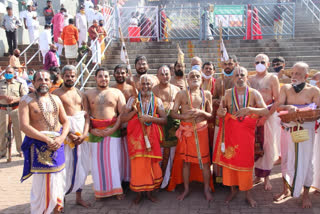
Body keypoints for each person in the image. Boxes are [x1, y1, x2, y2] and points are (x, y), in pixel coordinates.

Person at [213, 66, 268, 207]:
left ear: (247, 77)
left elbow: (265, 111)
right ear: (233, 78)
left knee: (246, 164)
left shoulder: (254, 93)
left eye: (242, 75)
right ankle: (232, 190)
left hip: (246, 137)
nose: (239, 78)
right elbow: (220, 113)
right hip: (231, 135)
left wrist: (250, 109)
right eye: (237, 75)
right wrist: (221, 112)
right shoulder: (227, 93)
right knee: (230, 164)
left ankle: (248, 194)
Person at [19, 69, 69, 214]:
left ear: (51, 82)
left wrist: (60, 138)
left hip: (57, 144)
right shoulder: (26, 100)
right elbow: (24, 126)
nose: (43, 82)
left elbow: (66, 121)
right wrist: (47, 139)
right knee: (41, 182)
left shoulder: (56, 99)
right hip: (39, 145)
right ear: (33, 82)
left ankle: (56, 208)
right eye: (39, 80)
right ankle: (41, 210)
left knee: (58, 178)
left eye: (46, 79)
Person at [274, 62, 320, 208]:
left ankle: (305, 195)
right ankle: (285, 190)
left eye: (298, 74)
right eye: (293, 73)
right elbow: (278, 106)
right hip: (288, 128)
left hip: (306, 130)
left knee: (306, 162)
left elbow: (318, 111)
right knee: (287, 159)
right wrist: (289, 107)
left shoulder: (314, 90)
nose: (294, 76)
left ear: (306, 76)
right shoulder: (286, 88)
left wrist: (304, 117)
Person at [168, 69, 213, 201]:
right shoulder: (181, 94)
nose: (195, 78)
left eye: (198, 76)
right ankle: (186, 189)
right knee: (186, 162)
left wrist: (201, 112)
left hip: (201, 131)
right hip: (186, 132)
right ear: (187, 79)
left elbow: (210, 115)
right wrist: (184, 116)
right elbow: (173, 113)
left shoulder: (207, 94)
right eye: (192, 76)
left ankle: (206, 188)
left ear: (202, 79)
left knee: (205, 162)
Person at [122, 74, 167, 204]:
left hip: (152, 138)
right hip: (136, 138)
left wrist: (150, 119)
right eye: (143, 83)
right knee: (138, 165)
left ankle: (150, 193)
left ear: (152, 86)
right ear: (138, 85)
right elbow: (123, 118)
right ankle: (139, 193)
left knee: (152, 165)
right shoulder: (133, 100)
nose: (145, 86)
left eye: (148, 84)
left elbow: (164, 120)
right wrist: (135, 112)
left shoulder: (157, 101)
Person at [84, 68, 128, 200]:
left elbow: (122, 114)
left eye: (106, 76)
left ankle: (117, 190)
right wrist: (91, 130)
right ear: (95, 78)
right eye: (100, 76)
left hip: (113, 130)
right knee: (97, 164)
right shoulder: (87, 94)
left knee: (115, 161)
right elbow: (85, 115)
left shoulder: (117, 93)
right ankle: (100, 191)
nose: (104, 79)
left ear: (110, 78)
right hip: (95, 131)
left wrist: (113, 129)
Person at [52, 65, 91, 208]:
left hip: (82, 138)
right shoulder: (56, 94)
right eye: (67, 75)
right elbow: (55, 118)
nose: (70, 78)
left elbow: (87, 116)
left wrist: (85, 134)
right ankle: (60, 199)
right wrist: (68, 133)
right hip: (65, 136)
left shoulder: (81, 94)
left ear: (76, 76)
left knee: (82, 166)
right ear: (62, 76)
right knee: (64, 167)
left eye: (73, 75)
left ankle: (79, 197)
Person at [248, 53, 281, 191]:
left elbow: (277, 100)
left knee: (267, 145)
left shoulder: (272, 78)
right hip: (253, 115)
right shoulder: (250, 79)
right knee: (254, 145)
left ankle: (267, 177)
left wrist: (265, 116)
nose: (259, 64)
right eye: (257, 62)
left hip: (268, 115)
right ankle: (257, 175)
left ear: (267, 64)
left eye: (262, 61)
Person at [152, 65, 180, 189]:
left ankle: (170, 181)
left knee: (172, 155)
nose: (165, 76)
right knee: (159, 154)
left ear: (171, 74)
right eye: (162, 74)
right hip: (158, 126)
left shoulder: (177, 89)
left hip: (173, 127)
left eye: (167, 74)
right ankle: (159, 180)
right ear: (157, 76)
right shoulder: (153, 90)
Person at [211, 55, 238, 183]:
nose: (228, 66)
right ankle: (220, 177)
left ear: (235, 65)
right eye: (225, 64)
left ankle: (233, 177)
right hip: (221, 119)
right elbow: (213, 98)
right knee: (219, 147)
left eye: (230, 64)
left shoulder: (239, 79)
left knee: (234, 148)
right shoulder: (218, 81)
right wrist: (219, 101)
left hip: (235, 120)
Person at [0, 67, 27, 158]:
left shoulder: (19, 84)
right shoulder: (0, 84)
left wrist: (15, 99)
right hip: (3, 110)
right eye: (6, 72)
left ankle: (21, 150)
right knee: (2, 130)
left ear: (14, 73)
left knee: (18, 130)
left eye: (10, 72)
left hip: (15, 109)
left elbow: (24, 97)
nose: (8, 74)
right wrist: (3, 97)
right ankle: (2, 151)